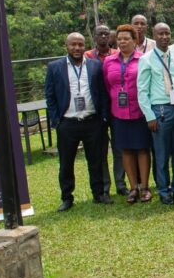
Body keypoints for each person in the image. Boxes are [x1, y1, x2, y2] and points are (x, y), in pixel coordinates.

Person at [45, 32, 109, 211]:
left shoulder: (96, 66)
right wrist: (56, 120)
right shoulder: (55, 67)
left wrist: (103, 117)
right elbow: (50, 96)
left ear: (85, 46)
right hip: (67, 123)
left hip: (92, 121)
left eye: (80, 44)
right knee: (66, 162)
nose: (77, 48)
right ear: (66, 46)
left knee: (95, 160)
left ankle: (98, 194)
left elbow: (102, 93)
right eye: (73, 44)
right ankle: (67, 197)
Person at [136, 22, 174, 205]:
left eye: (167, 33)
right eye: (160, 34)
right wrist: (149, 116)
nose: (164, 37)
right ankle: (163, 190)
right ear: (154, 34)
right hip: (160, 110)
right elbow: (142, 91)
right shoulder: (146, 59)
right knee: (161, 154)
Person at [103, 25, 153, 203]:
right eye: (119, 39)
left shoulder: (144, 59)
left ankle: (145, 187)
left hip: (140, 111)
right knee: (125, 149)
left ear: (135, 40)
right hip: (119, 113)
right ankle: (133, 188)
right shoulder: (109, 61)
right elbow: (108, 86)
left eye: (126, 38)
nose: (122, 42)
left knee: (141, 148)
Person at [85, 24, 126, 195]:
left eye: (106, 34)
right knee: (100, 151)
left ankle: (121, 184)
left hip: (117, 108)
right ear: (93, 37)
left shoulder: (118, 55)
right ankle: (104, 186)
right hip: (97, 110)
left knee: (119, 149)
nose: (103, 37)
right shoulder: (87, 56)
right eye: (99, 34)